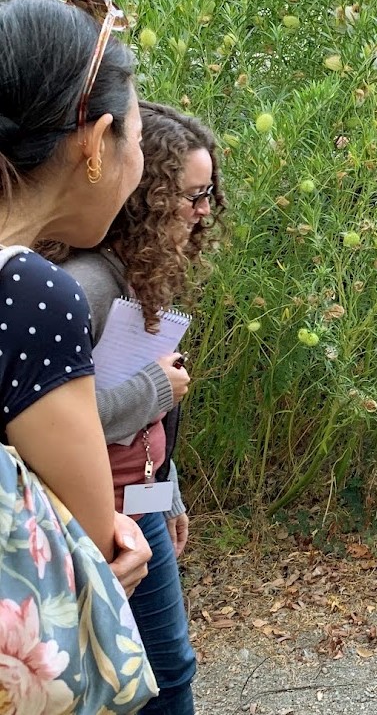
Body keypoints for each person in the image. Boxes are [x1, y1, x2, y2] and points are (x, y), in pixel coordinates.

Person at [40, 101, 225, 715]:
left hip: (137, 506)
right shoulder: (88, 285)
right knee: (133, 679)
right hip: (93, 521)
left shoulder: (137, 277)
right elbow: (55, 421)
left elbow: (144, 432)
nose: (204, 214)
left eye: (208, 196)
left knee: (168, 667)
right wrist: (154, 387)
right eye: (193, 196)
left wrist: (165, 492)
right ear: (146, 198)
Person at [0, 0, 151, 593]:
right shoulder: (30, 292)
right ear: (95, 143)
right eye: (136, 140)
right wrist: (117, 538)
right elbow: (91, 549)